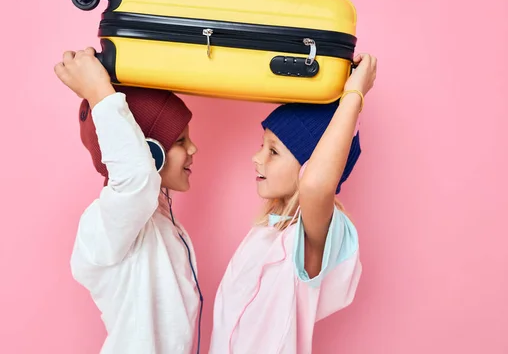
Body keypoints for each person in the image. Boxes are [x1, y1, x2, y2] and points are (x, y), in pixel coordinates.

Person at [209, 53, 378, 354]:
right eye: (262, 145)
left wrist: (355, 93)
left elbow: (315, 186)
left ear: (307, 166)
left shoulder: (312, 239)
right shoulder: (264, 234)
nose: (257, 158)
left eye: (273, 151)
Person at [54, 47, 203, 354]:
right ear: (150, 152)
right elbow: (135, 178)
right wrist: (99, 94)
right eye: (180, 141)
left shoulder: (159, 220)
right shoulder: (108, 222)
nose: (193, 150)